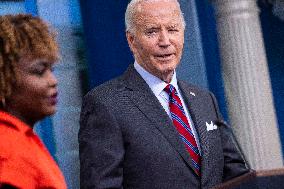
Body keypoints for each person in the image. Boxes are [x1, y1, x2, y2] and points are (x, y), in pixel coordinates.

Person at [79, 0, 249, 188]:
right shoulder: (106, 103)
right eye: (152, 31)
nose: (165, 41)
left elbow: (237, 175)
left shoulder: (205, 100)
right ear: (132, 40)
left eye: (173, 29)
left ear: (183, 35)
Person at [0, 14, 67, 188]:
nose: (53, 80)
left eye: (51, 69)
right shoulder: (11, 148)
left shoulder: (18, 138)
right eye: (39, 71)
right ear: (4, 79)